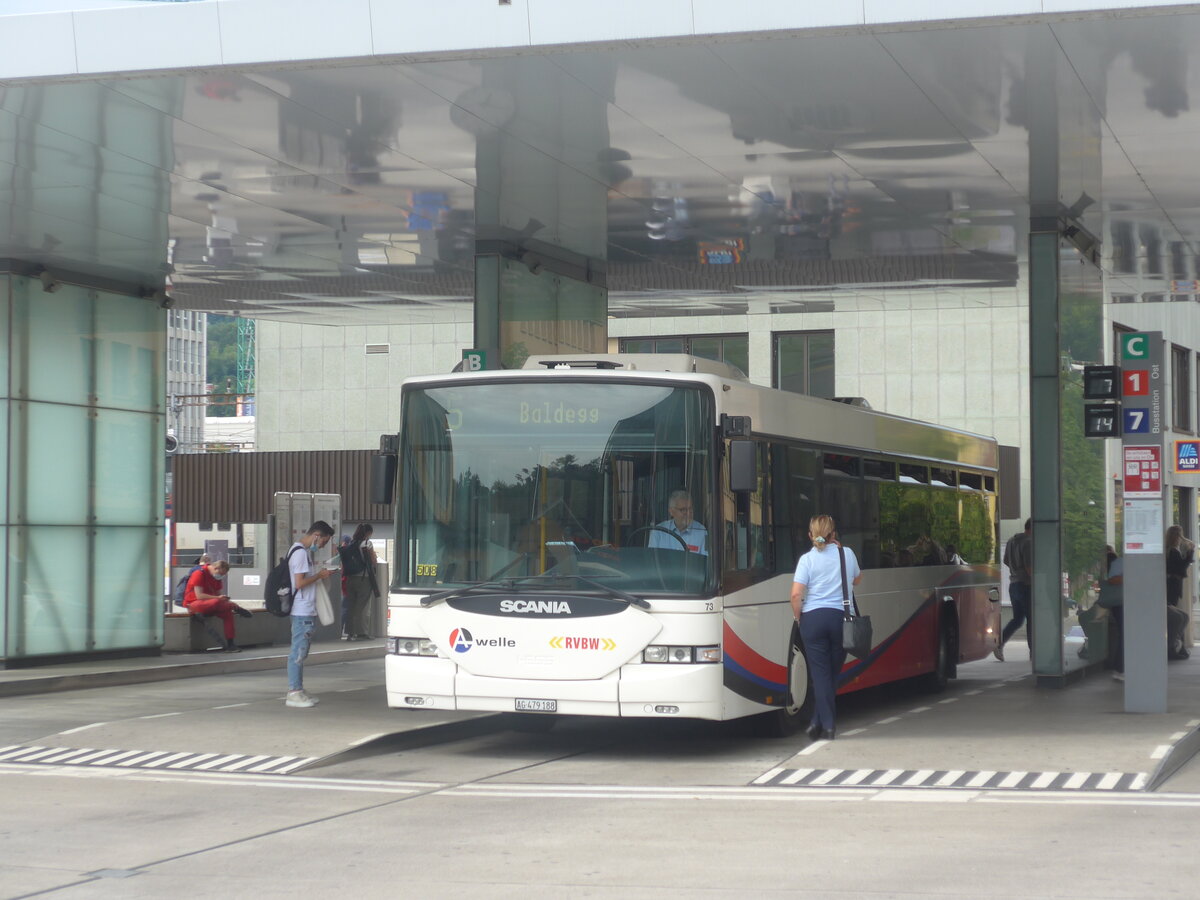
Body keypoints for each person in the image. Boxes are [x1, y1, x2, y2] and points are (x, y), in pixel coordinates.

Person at [789, 514, 861, 741]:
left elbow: (796, 594)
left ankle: (825, 725)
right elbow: (857, 580)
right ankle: (819, 722)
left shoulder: (806, 560)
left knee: (821, 675)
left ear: (811, 535)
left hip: (813, 620)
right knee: (831, 674)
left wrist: (798, 617)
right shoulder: (846, 554)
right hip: (841, 619)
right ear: (833, 534)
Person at [286, 520, 336, 709]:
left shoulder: (299, 551)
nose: (322, 545)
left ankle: (297, 689)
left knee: (301, 650)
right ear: (317, 535)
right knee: (298, 652)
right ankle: (294, 692)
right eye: (324, 541)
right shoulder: (300, 554)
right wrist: (320, 576)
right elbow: (299, 583)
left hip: (303, 609)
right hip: (302, 610)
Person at [183, 559, 251, 652]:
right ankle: (234, 607)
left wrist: (223, 599)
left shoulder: (216, 578)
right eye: (221, 574)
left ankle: (231, 644)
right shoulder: (199, 574)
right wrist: (219, 598)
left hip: (211, 604)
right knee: (216, 602)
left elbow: (218, 595)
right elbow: (199, 596)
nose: (221, 576)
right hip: (194, 604)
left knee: (228, 613)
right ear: (216, 568)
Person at [996, 518, 1032, 661]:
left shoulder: (1011, 541)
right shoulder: (1029, 542)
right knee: (1032, 619)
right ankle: (1034, 652)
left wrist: (1014, 568)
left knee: (1017, 619)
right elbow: (1030, 568)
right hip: (1026, 585)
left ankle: (999, 644)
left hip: (1014, 585)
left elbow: (1005, 560)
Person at [340, 523, 380, 640]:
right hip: (364, 578)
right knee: (362, 606)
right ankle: (362, 632)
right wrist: (374, 560)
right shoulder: (367, 543)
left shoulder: (350, 544)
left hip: (350, 578)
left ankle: (350, 633)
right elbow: (373, 561)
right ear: (368, 533)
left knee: (351, 606)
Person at [647, 489, 708, 555]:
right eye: (683, 510)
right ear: (671, 511)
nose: (688, 513)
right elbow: (651, 560)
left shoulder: (701, 531)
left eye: (690, 509)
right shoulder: (658, 531)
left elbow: (706, 562)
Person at [1165, 525, 1193, 660]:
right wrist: (1189, 553)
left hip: (1171, 586)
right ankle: (1174, 646)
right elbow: (1181, 568)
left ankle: (1176, 646)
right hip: (1173, 587)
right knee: (1176, 616)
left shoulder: (1170, 551)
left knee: (1177, 616)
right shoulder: (1173, 551)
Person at [1100, 545, 1125, 680]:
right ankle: (1119, 668)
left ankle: (1121, 667)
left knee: (1126, 635)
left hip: (1127, 604)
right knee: (1125, 635)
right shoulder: (1119, 563)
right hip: (1121, 604)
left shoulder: (1119, 562)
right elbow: (1112, 579)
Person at [337, 534, 352, 640]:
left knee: (344, 608)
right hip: (346, 585)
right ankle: (344, 630)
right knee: (345, 609)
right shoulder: (347, 554)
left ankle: (341, 629)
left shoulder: (340, 555)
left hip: (343, 584)